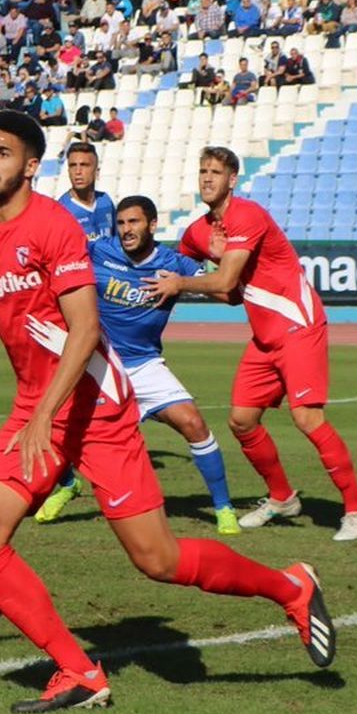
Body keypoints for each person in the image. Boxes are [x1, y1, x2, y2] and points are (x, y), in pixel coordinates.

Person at [0, 113, 335, 713]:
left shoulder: (54, 228)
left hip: (96, 407)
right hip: (37, 406)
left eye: (2, 151)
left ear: (28, 165)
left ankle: (291, 587)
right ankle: (79, 671)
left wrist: (47, 414)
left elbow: (84, 329)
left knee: (159, 560)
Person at [149, 147, 357, 541]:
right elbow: (228, 293)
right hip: (265, 337)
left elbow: (218, 282)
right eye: (203, 171)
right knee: (241, 420)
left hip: (298, 325)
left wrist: (191, 281)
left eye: (216, 172)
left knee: (307, 418)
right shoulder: (196, 233)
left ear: (232, 179)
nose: (207, 178)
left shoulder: (247, 214)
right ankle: (283, 498)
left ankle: (356, 511)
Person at [88, 196, 239, 533]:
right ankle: (62, 489)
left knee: (193, 423)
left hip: (144, 364)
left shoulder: (174, 262)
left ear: (152, 225)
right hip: (100, 366)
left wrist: (209, 263)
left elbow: (231, 295)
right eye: (122, 223)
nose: (126, 230)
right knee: (64, 435)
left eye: (134, 222)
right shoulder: (98, 251)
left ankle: (224, 508)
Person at [35, 141, 116, 522]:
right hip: (71, 315)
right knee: (62, 395)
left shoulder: (107, 205)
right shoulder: (59, 212)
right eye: (73, 165)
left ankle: (94, 470)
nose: (78, 170)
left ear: (97, 168)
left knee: (106, 394)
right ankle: (67, 480)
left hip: (106, 311)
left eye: (85, 164)